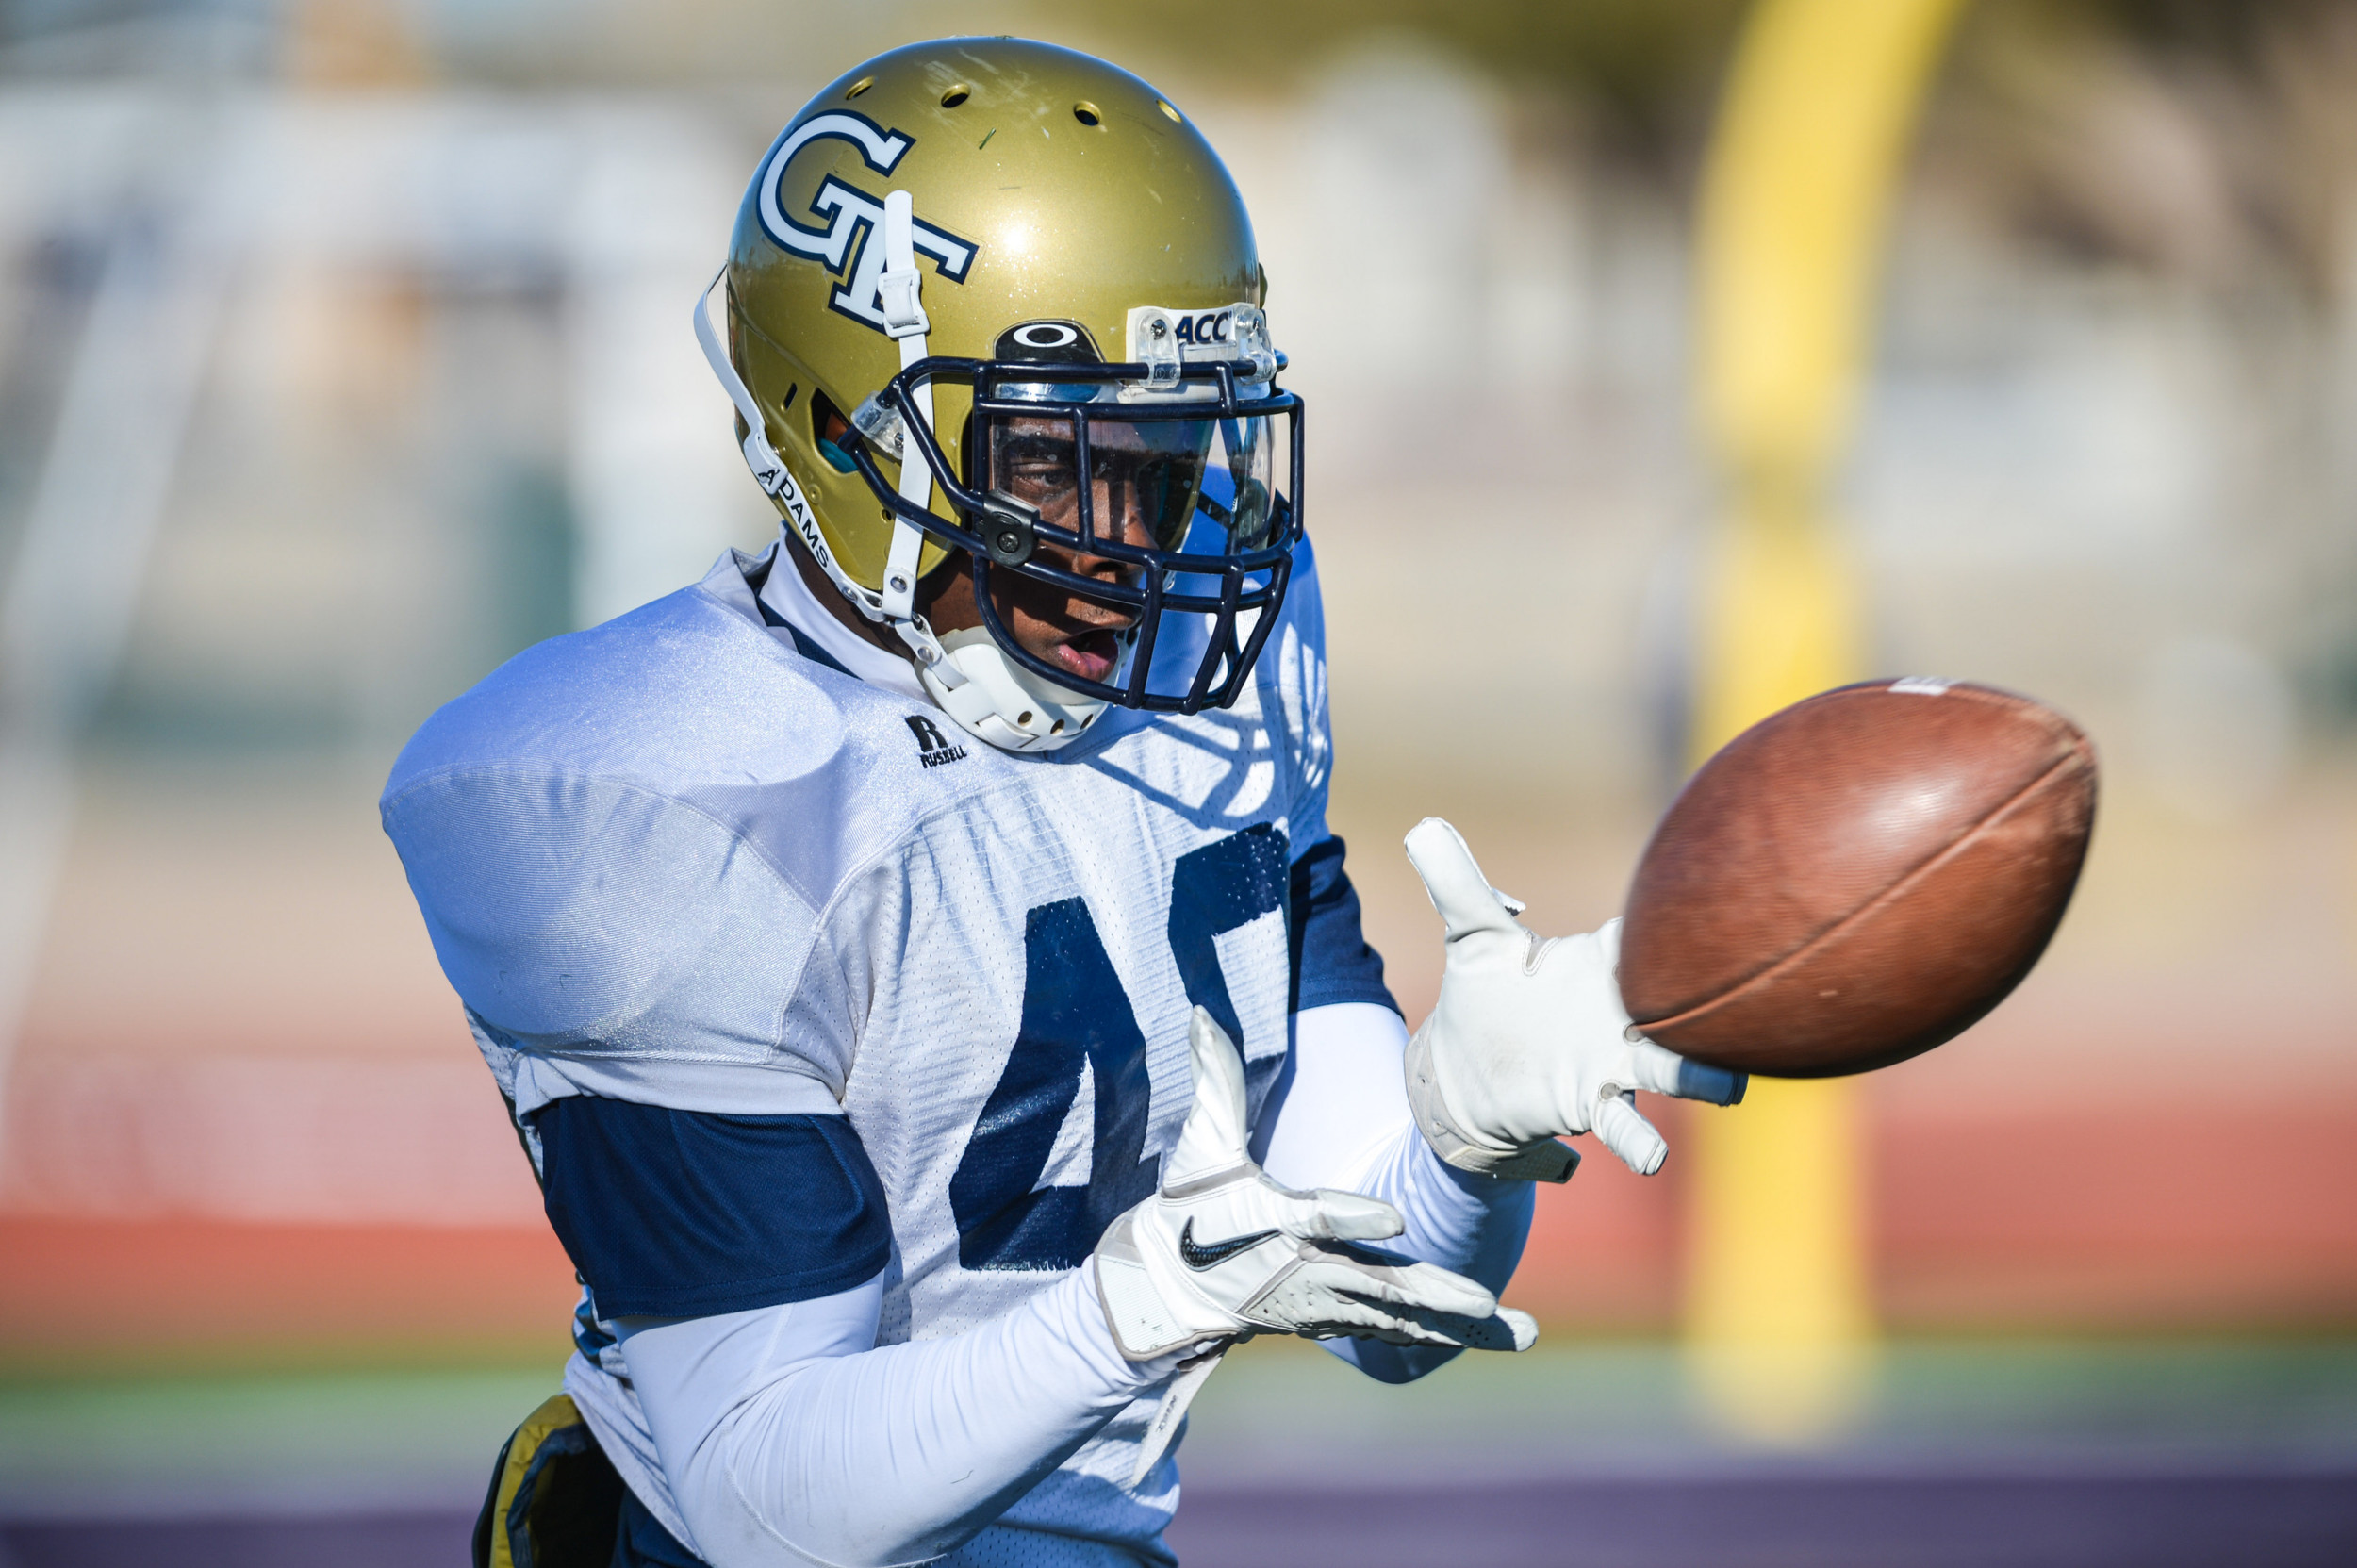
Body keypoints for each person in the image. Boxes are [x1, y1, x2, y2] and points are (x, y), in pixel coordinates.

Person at [382, 38, 1744, 1568]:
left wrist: (1461, 1142)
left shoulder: (1222, 655)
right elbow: (767, 1497)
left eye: (1161, 462)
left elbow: (1390, 1305)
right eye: (1048, 459)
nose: (1128, 544)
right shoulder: (662, 786)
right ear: (846, 429)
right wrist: (1131, 1313)